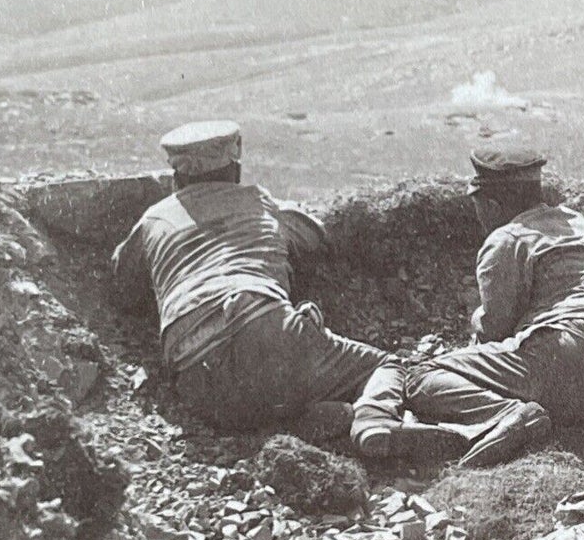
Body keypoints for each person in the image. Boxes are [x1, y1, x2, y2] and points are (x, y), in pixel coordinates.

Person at [111, 119, 419, 458]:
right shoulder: (260, 203)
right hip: (266, 327)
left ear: (176, 177)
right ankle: (371, 421)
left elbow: (124, 288)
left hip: (198, 378)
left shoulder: (153, 219)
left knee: (244, 407)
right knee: (387, 366)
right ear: (235, 169)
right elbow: (316, 238)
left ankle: (294, 422)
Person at [406, 146, 584, 467]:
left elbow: (494, 330)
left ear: (492, 205)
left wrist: (475, 320)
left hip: (570, 354)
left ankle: (509, 416)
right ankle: (564, 430)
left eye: (478, 206)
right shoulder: (574, 221)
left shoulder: (508, 238)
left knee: (422, 376)